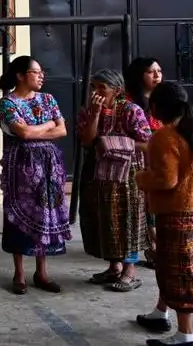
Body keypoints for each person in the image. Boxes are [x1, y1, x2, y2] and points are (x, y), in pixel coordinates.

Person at [134, 82, 193, 346]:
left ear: (157, 108)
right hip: (192, 209)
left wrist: (140, 177)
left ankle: (185, 335)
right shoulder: (192, 132)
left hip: (173, 212)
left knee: (179, 270)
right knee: (171, 264)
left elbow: (167, 180)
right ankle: (161, 312)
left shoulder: (163, 137)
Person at [0, 56, 71, 295]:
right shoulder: (7, 103)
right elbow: (23, 133)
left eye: (41, 72)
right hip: (21, 166)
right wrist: (48, 124)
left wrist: (39, 129)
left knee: (46, 213)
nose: (41, 76)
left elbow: (63, 130)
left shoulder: (48, 99)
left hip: (49, 166)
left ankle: (42, 271)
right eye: (35, 72)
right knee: (18, 213)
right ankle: (19, 273)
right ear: (20, 75)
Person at [77, 68, 152, 292]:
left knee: (127, 219)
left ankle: (130, 271)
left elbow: (147, 142)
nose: (96, 93)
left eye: (102, 88)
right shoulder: (88, 111)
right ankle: (113, 267)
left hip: (127, 173)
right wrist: (95, 115)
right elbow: (87, 141)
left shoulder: (131, 110)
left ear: (117, 90)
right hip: (98, 173)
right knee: (104, 219)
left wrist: (114, 143)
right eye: (93, 87)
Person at [126, 57, 164, 269]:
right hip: (139, 159)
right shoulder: (130, 102)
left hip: (162, 158)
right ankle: (151, 245)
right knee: (144, 203)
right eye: (151, 72)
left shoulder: (166, 99)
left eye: (159, 70)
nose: (157, 75)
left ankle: (158, 246)